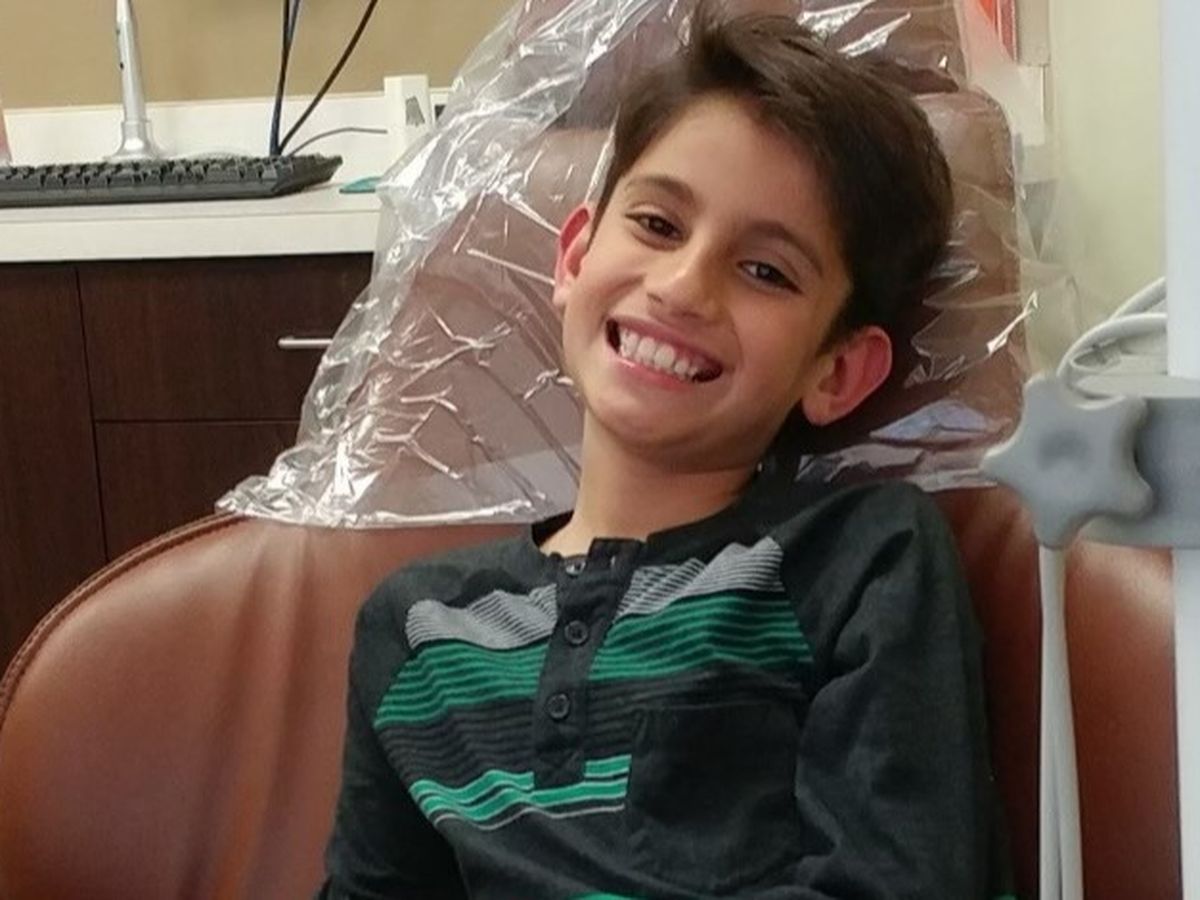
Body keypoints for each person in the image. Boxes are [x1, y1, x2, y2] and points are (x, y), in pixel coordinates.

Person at [317, 5, 1012, 898]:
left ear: (839, 370)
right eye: (656, 224)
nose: (683, 287)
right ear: (574, 257)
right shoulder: (418, 626)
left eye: (766, 271)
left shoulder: (861, 563)